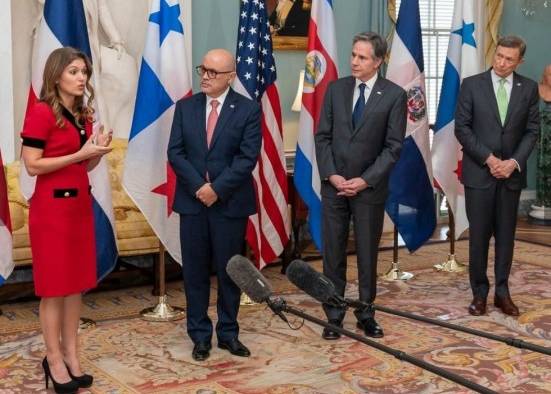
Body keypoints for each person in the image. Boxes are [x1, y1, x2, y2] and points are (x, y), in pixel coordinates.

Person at [21, 47, 113, 393]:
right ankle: (53, 358)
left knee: (75, 286)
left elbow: (82, 165)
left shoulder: (83, 115)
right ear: (56, 74)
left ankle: (73, 356)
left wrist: (96, 152)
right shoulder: (41, 113)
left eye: (84, 72)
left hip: (78, 210)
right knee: (54, 288)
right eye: (74, 71)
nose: (81, 78)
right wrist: (81, 153)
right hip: (51, 213)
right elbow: (33, 164)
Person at [167, 49, 262, 361]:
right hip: (193, 204)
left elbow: (247, 158)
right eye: (203, 69)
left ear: (230, 76)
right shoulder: (186, 108)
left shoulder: (248, 109)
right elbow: (175, 152)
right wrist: (199, 188)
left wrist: (217, 189)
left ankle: (228, 333)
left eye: (213, 72)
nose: (205, 76)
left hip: (229, 204)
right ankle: (200, 335)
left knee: (229, 272)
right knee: (194, 272)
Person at [314, 32, 406, 340]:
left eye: (362, 57)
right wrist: (332, 174)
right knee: (333, 254)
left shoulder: (393, 95)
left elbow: (393, 147)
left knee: (367, 254)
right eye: (353, 54)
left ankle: (366, 313)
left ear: (378, 61)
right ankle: (334, 314)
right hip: (335, 186)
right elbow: (322, 136)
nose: (354, 61)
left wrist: (365, 179)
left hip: (369, 189)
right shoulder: (335, 89)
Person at [455, 36, 539, 317]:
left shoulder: (528, 88)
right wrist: (490, 160)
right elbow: (462, 129)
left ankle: (503, 293)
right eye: (499, 56)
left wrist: (513, 162)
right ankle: (479, 293)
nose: (502, 63)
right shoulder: (471, 85)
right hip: (480, 173)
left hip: (510, 176)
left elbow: (532, 131)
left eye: (509, 59)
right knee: (478, 237)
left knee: (506, 238)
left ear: (520, 61)